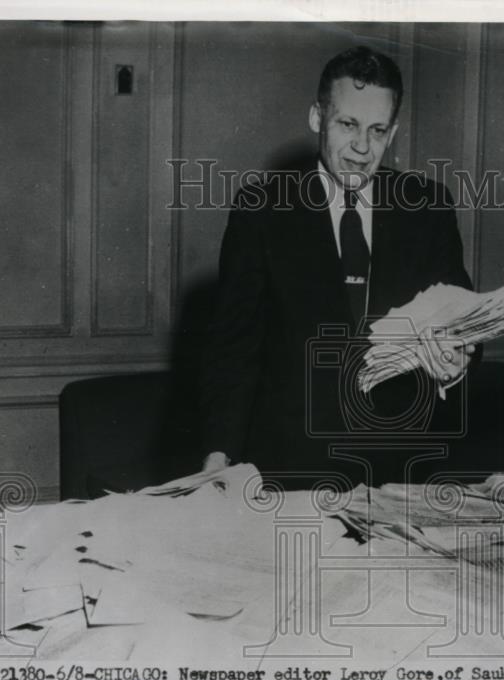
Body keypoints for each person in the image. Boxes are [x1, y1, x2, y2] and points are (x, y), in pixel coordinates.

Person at [198, 46, 479, 488]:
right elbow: (234, 350)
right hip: (291, 469)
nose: (363, 148)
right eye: (348, 125)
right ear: (317, 118)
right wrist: (219, 453)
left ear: (394, 131)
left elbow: (465, 320)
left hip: (402, 471)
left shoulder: (427, 206)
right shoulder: (262, 211)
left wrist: (461, 356)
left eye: (378, 130)